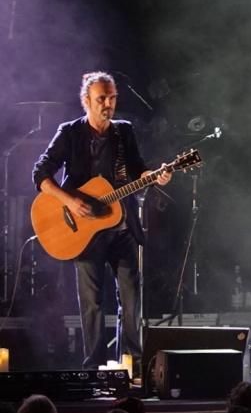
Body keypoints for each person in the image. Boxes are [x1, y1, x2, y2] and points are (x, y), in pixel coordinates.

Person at [32, 71, 172, 369]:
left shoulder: (124, 132)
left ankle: (132, 366)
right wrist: (69, 200)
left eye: (112, 98)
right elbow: (40, 173)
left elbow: (137, 171)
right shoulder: (69, 132)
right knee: (93, 303)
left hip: (122, 229)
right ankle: (94, 370)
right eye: (101, 99)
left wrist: (155, 177)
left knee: (132, 298)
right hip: (84, 232)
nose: (108, 104)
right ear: (86, 101)